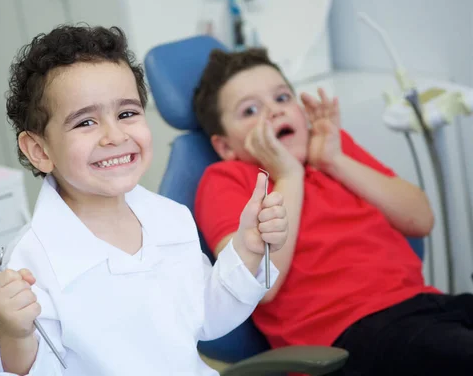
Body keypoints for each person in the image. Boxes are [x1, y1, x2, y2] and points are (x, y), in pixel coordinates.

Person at [0, 25, 289, 376]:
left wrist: (249, 248)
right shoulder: (31, 259)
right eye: (86, 122)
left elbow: (207, 317)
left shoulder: (170, 218)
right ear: (39, 150)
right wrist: (15, 333)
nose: (114, 136)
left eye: (127, 114)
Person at [193, 47, 473, 376]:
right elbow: (258, 285)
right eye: (250, 110)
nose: (273, 112)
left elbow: (421, 219)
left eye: (282, 98)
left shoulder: (330, 152)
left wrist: (335, 160)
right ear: (225, 146)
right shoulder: (226, 180)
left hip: (425, 306)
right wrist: (288, 176)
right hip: (350, 337)